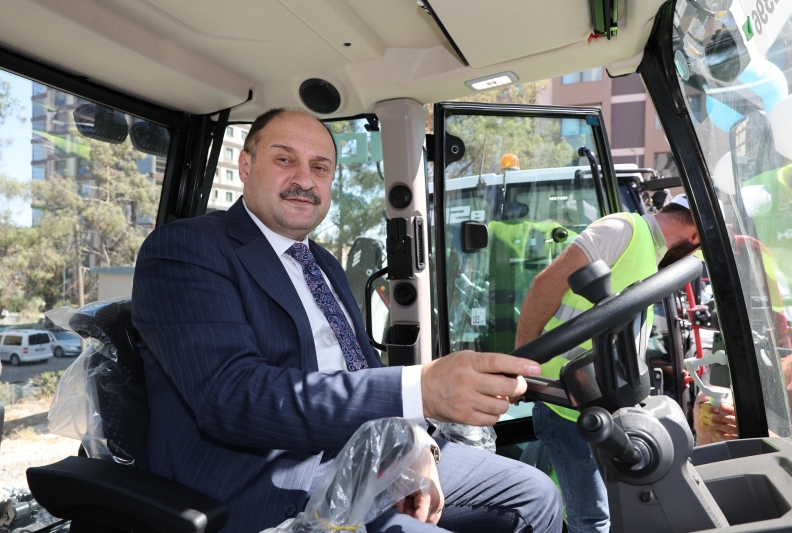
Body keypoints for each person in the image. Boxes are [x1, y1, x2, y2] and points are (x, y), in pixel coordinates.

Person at [131, 108, 562, 533]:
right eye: (285, 160)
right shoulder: (188, 248)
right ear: (246, 165)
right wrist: (421, 389)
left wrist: (415, 443)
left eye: (320, 168)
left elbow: (359, 366)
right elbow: (231, 395)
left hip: (363, 451)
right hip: (269, 478)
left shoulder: (322, 262)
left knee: (536, 493)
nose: (305, 180)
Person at [514, 195, 700, 533]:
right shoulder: (622, 229)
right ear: (695, 236)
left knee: (619, 510)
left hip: (602, 401)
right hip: (565, 403)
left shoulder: (650, 253)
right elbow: (546, 285)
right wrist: (522, 360)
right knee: (595, 519)